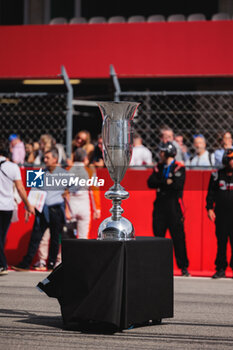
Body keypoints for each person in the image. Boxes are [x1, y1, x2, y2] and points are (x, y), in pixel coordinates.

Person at [12, 147, 68, 272]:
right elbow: (33, 191)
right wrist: (28, 207)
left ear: (55, 159)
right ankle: (26, 263)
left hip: (57, 210)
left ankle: (52, 264)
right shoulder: (39, 173)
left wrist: (66, 194)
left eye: (48, 157)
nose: (45, 160)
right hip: (42, 210)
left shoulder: (64, 173)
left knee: (55, 238)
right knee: (35, 237)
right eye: (44, 157)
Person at [147, 141, 190, 277]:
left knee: (178, 237)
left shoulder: (179, 167)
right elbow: (150, 182)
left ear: (168, 152)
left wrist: (162, 184)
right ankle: (159, 266)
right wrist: (166, 181)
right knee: (158, 237)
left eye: (162, 151)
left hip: (174, 206)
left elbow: (177, 185)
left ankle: (183, 267)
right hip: (160, 205)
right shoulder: (158, 167)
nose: (160, 154)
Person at [0, 142, 34, 276]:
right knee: (2, 235)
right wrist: (28, 204)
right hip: (7, 206)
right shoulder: (13, 167)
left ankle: (2, 264)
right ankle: (2, 264)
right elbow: (20, 188)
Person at [206, 149, 233, 278]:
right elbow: (210, 194)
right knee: (221, 242)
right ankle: (220, 268)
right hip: (221, 215)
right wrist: (209, 208)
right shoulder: (217, 175)